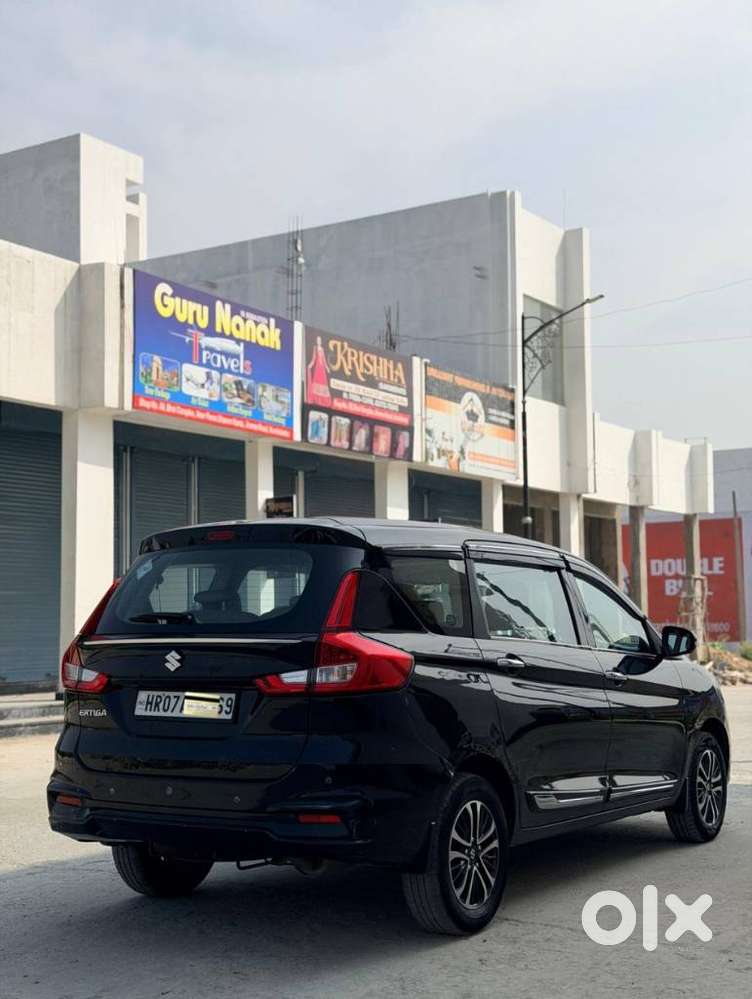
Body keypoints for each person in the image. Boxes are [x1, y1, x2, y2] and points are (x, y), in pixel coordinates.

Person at [307, 335, 331, 405]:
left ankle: (323, 401)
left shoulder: (322, 349)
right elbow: (314, 358)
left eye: (319, 340)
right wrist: (310, 365)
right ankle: (317, 400)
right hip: (317, 368)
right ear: (316, 341)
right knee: (317, 383)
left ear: (321, 341)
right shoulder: (315, 348)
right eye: (317, 340)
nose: (318, 341)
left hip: (322, 368)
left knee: (323, 383)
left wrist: (327, 368)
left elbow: (324, 360)